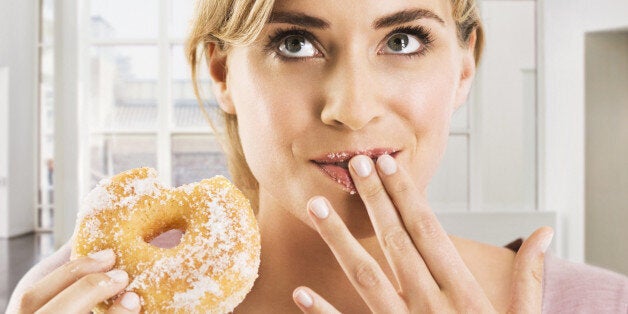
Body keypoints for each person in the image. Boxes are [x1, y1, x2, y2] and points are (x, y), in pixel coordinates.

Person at [8, 0, 628, 313]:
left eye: (404, 40)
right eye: (296, 42)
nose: (351, 108)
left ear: (464, 68)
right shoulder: (94, 294)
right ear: (222, 71)